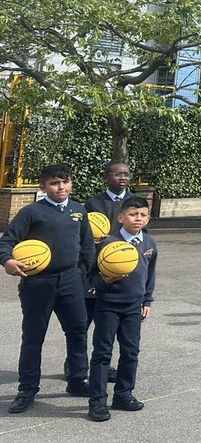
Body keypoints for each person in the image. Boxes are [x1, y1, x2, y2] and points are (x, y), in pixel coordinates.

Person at [0, 164, 95, 414]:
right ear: (43, 187)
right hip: (38, 284)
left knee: (77, 331)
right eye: (54, 183)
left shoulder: (79, 211)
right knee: (33, 337)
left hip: (71, 281)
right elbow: (7, 241)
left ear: (71, 184)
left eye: (65, 182)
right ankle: (27, 389)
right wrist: (7, 261)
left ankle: (76, 379)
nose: (61, 187)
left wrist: (83, 275)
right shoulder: (31, 212)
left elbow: (87, 247)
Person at [86, 196, 157, 422]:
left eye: (143, 215)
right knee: (102, 353)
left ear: (148, 218)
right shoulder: (108, 244)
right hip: (108, 306)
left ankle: (123, 395)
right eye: (133, 214)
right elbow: (91, 277)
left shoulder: (149, 244)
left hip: (133, 307)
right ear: (121, 217)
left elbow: (150, 275)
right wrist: (103, 281)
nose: (138, 219)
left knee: (131, 352)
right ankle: (97, 402)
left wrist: (147, 301)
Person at [81, 161, 133, 330]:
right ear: (105, 177)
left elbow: (142, 233)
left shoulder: (135, 202)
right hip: (98, 265)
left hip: (124, 265)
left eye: (126, 174)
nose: (123, 178)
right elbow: (84, 237)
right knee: (83, 322)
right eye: (117, 174)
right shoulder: (93, 203)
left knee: (112, 327)